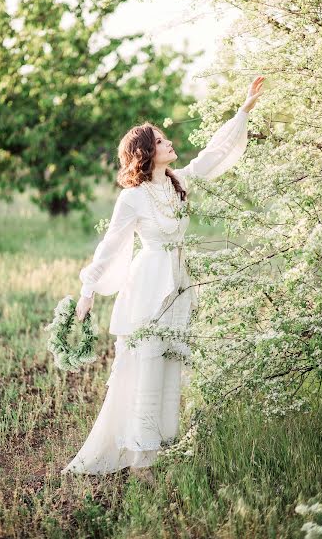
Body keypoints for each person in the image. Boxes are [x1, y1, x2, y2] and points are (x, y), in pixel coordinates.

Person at [60, 75, 265, 482]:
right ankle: (139, 460)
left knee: (170, 367)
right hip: (149, 288)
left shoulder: (176, 183)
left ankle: (153, 451)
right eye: (161, 140)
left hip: (178, 285)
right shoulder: (132, 197)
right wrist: (87, 291)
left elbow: (213, 155)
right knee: (147, 367)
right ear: (146, 152)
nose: (169, 142)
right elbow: (110, 245)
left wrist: (243, 110)